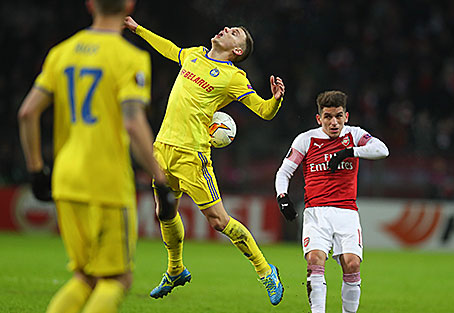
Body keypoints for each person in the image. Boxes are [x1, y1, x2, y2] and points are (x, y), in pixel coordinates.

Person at [17, 1, 173, 312]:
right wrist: (160, 179)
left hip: (66, 177)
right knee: (117, 279)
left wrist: (36, 170)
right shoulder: (130, 57)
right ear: (129, 5)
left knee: (84, 276)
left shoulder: (62, 52)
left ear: (90, 4)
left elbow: (27, 113)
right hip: (106, 181)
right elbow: (132, 121)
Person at [123, 16, 285, 305]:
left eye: (234, 33)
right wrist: (138, 29)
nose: (226, 29)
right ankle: (176, 270)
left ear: (237, 50)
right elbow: (169, 49)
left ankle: (265, 270)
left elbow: (262, 111)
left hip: (192, 154)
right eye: (229, 27)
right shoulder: (195, 54)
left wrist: (274, 100)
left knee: (219, 221)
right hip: (162, 148)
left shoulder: (234, 77)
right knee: (164, 211)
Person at [275, 90, 389, 313]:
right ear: (319, 119)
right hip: (316, 213)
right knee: (315, 260)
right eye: (328, 116)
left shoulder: (354, 135)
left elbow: (382, 150)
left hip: (346, 212)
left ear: (346, 116)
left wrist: (350, 152)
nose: (334, 122)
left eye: (338, 116)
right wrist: (283, 197)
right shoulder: (306, 139)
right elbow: (284, 172)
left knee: (352, 264)